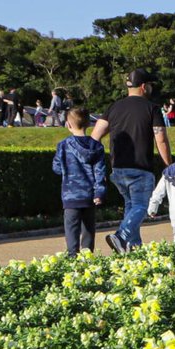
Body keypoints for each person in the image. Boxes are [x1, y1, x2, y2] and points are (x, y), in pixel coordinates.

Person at [93, 69, 171, 254]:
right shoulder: (152, 108)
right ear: (144, 87)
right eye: (150, 85)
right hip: (140, 168)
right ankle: (121, 235)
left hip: (118, 168)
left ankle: (133, 249)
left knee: (130, 206)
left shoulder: (114, 107)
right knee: (141, 207)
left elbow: (96, 136)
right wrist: (168, 164)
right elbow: (160, 138)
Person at [52, 106, 108, 255]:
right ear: (89, 123)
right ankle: (87, 256)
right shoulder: (97, 147)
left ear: (68, 124)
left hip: (70, 195)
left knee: (71, 228)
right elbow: (100, 172)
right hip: (89, 195)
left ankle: (72, 256)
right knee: (89, 228)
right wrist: (99, 192)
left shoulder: (63, 146)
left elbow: (56, 168)